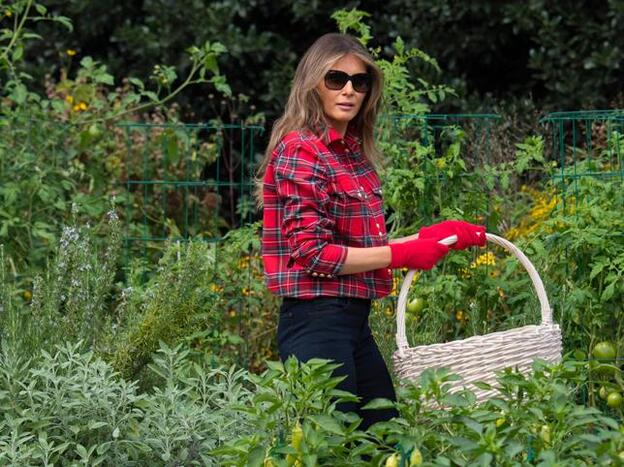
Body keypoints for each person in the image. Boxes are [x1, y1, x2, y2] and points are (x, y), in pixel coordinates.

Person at [254, 33, 485, 430]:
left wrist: (433, 237)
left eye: (360, 82)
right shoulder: (301, 149)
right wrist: (401, 255)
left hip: (351, 323)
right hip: (315, 323)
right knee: (334, 448)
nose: (349, 90)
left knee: (381, 437)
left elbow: (357, 248)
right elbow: (314, 255)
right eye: (336, 79)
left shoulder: (350, 153)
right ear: (313, 84)